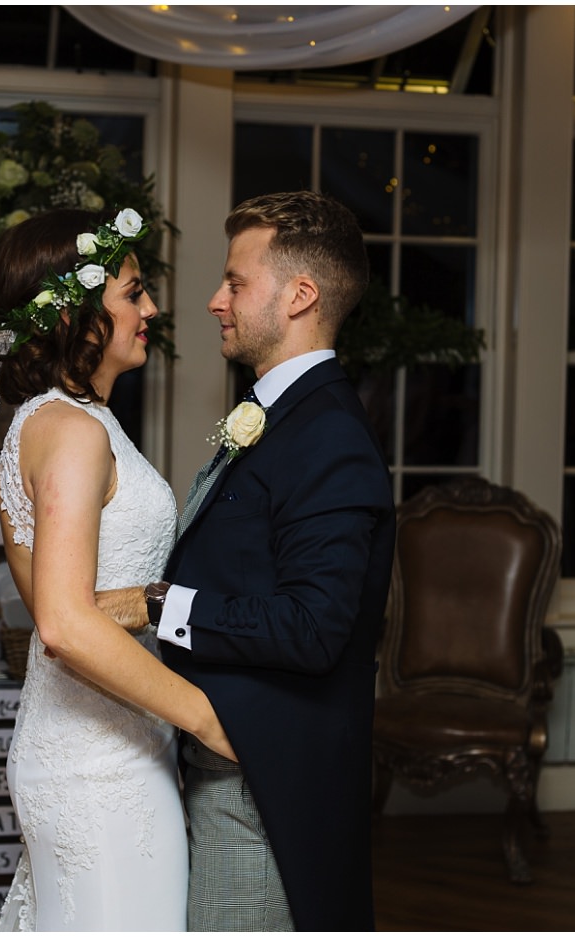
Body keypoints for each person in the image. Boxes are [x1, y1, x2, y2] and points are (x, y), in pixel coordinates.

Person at [100, 191, 395, 931]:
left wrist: (157, 602)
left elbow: (313, 625)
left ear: (301, 295)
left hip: (263, 788)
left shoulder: (327, 434)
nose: (213, 300)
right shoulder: (283, 416)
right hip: (225, 763)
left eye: (235, 282)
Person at [0, 207, 234, 932]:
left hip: (93, 743)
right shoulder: (70, 431)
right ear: (75, 310)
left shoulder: (52, 422)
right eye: (133, 291)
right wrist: (205, 717)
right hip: (100, 767)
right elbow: (61, 623)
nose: (151, 307)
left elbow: (61, 603)